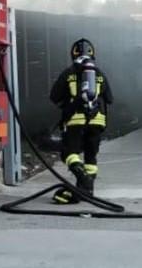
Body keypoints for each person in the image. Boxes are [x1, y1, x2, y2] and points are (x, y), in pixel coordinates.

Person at [49, 38, 114, 204]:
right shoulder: (99, 74)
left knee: (69, 153)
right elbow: (110, 99)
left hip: (75, 120)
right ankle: (86, 191)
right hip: (97, 120)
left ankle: (82, 180)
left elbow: (54, 97)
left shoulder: (68, 72)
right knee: (91, 157)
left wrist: (70, 102)